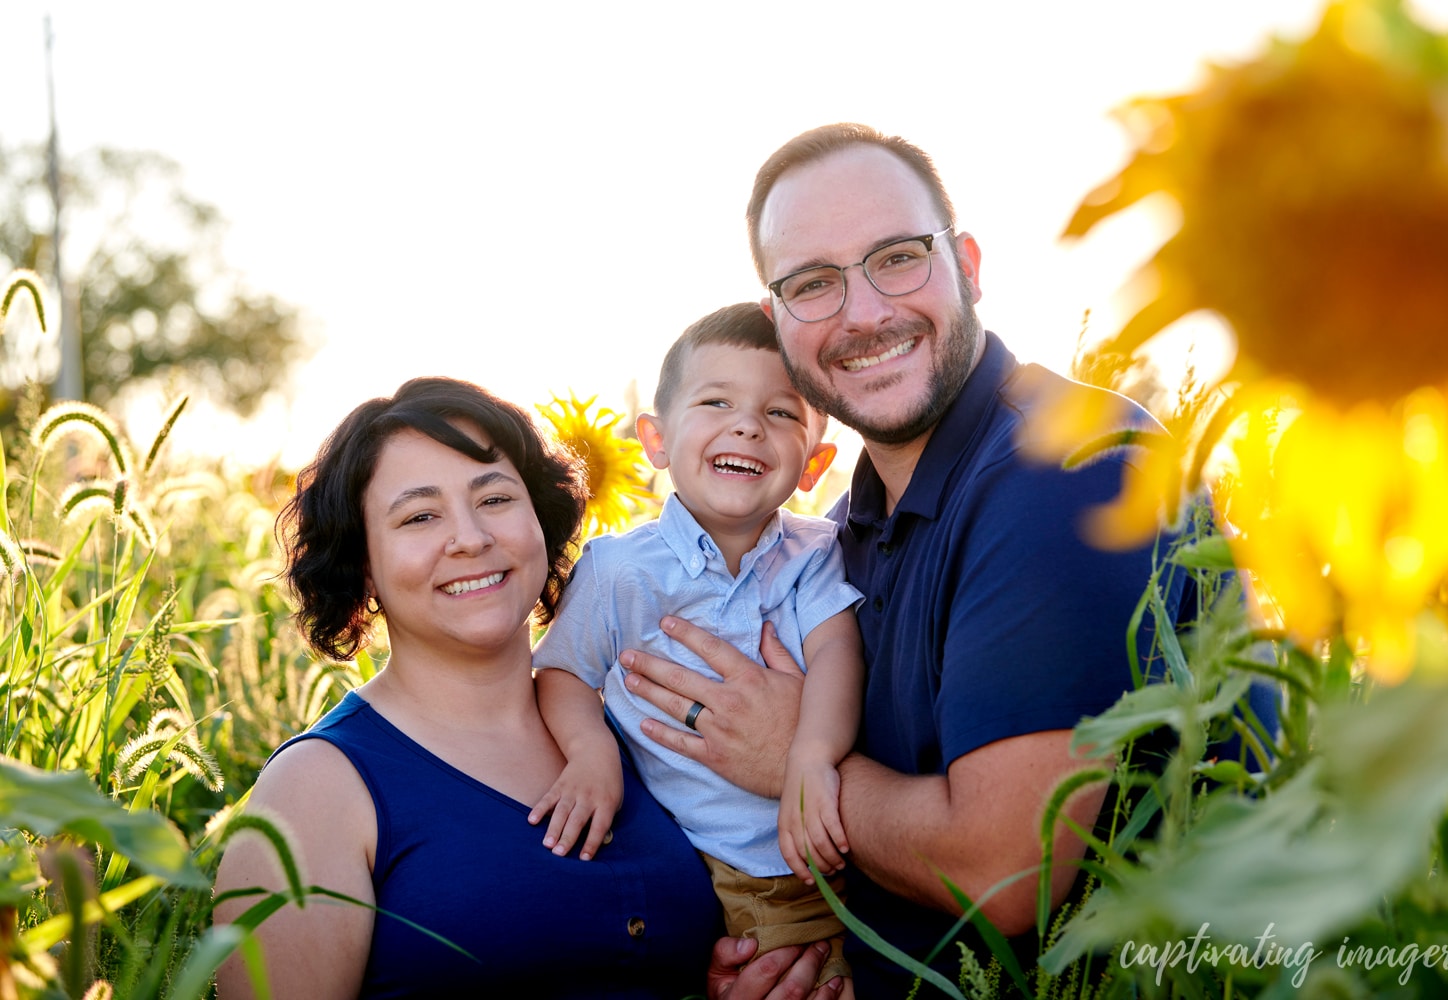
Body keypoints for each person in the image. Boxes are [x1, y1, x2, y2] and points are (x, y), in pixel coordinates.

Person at [620, 124, 1188, 996]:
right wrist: (799, 958)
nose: (863, 313)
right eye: (814, 283)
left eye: (896, 257)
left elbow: (1006, 872)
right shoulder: (842, 533)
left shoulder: (1064, 465)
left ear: (966, 263)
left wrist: (793, 761)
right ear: (778, 322)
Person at [213, 376, 844, 999]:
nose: (471, 537)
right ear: (363, 568)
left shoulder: (637, 732)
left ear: (540, 521)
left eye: (494, 500)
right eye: (420, 516)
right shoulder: (317, 787)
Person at [530, 303, 864, 989]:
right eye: (717, 401)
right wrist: (592, 753)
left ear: (814, 464)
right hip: (697, 863)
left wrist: (809, 756)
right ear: (654, 440)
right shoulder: (619, 568)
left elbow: (837, 655)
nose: (747, 424)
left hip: (829, 849)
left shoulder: (817, 552)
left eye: (781, 414)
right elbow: (560, 672)